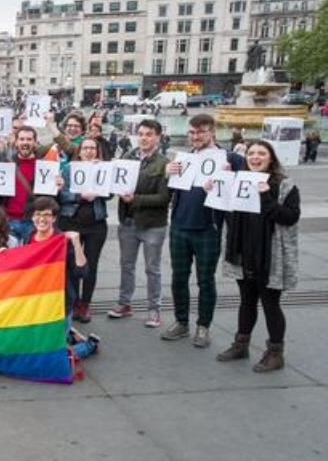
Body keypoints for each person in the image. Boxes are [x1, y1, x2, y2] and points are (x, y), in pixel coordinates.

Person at [215, 141, 300, 372]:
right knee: (246, 301)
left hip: (269, 256)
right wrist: (219, 183)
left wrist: (266, 196)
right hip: (243, 251)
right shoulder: (240, 181)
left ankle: (275, 353)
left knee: (271, 304)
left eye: (262, 153)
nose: (255, 157)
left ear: (271, 158)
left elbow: (290, 217)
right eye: (251, 153)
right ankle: (241, 344)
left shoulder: (284, 185)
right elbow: (224, 208)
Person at [162, 114, 245, 347]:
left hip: (208, 228)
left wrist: (228, 179)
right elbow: (169, 191)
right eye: (192, 132)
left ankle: (203, 326)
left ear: (212, 132)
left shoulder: (231, 159)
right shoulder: (185, 159)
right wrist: (167, 173)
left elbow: (243, 192)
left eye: (201, 131)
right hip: (180, 226)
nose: (196, 136)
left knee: (205, 280)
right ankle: (181, 322)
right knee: (179, 278)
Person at [108, 119, 171, 328]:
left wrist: (135, 199)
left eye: (149, 134)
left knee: (152, 269)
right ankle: (124, 303)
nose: (144, 138)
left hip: (153, 224)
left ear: (158, 137)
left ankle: (154, 309)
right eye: (141, 134)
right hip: (128, 221)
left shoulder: (164, 163)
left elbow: (164, 198)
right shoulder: (128, 157)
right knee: (126, 265)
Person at [25, 197, 99, 360]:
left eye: (46, 215)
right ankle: (69, 335)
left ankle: (89, 345)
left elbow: (82, 272)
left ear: (54, 218)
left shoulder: (62, 241)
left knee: (54, 358)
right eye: (38, 214)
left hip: (60, 302)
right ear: (32, 217)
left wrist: (77, 243)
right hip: (36, 301)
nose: (41, 219)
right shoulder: (29, 237)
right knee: (32, 349)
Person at [58, 138, 110, 323]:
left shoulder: (102, 168)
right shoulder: (67, 169)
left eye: (92, 148)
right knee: (73, 264)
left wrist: (100, 185)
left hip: (96, 224)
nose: (89, 151)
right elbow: (61, 194)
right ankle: (72, 302)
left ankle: (84, 304)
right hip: (71, 221)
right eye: (85, 148)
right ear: (79, 152)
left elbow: (110, 194)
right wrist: (80, 196)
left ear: (97, 151)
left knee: (91, 265)